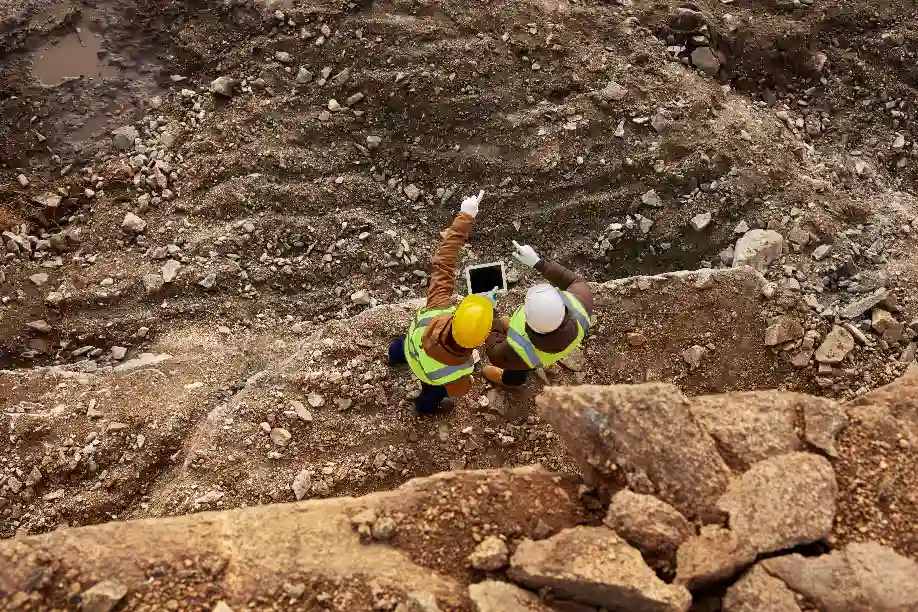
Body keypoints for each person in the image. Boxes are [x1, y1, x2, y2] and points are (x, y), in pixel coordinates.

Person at [388, 190, 493, 413]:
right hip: (428, 377)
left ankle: (394, 356)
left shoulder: (438, 307)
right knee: (433, 395)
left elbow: (443, 262)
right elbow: (460, 389)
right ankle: (423, 408)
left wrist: (466, 216)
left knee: (399, 348)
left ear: (458, 313)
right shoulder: (463, 367)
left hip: (411, 348)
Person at [483, 241, 593, 388]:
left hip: (525, 360)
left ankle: (511, 382)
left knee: (517, 369)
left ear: (527, 322)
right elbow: (574, 280)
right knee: (522, 358)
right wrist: (538, 262)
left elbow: (494, 353)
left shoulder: (520, 351)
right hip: (553, 348)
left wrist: (490, 311)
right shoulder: (581, 306)